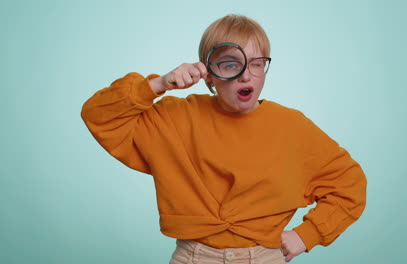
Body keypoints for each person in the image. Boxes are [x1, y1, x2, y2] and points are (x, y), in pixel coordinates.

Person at [81, 14, 367, 264]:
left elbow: (349, 184)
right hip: (193, 257)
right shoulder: (174, 118)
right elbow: (99, 115)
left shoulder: (292, 127)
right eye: (231, 65)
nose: (246, 76)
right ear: (209, 75)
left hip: (264, 257)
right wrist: (158, 84)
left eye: (257, 63)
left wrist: (307, 235)